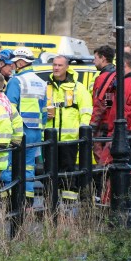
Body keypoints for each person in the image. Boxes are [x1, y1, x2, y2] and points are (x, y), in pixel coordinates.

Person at [98, 52, 131, 204]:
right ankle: (121, 199)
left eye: (116, 65)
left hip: (123, 130)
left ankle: (110, 201)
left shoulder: (128, 84)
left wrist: (111, 126)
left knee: (109, 166)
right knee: (125, 167)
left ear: (124, 65)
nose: (114, 68)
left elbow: (121, 110)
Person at [45, 54, 93, 203]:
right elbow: (38, 107)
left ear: (67, 67)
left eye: (59, 65)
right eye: (54, 65)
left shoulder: (78, 87)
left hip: (69, 139)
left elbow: (86, 111)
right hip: (49, 138)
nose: (56, 68)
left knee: (68, 172)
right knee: (49, 173)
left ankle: (68, 206)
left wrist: (82, 132)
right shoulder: (46, 86)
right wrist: (44, 114)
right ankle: (50, 204)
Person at [1, 46, 47, 200]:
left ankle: (10, 198)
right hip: (35, 131)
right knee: (28, 166)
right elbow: (44, 111)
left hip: (18, 131)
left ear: (21, 63)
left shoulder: (16, 81)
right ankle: (27, 199)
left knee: (9, 165)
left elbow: (10, 108)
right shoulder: (41, 82)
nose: (11, 66)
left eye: (13, 63)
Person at [90, 45, 117, 162]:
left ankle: (104, 179)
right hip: (114, 122)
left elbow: (100, 104)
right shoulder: (117, 75)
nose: (93, 61)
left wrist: (92, 127)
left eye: (95, 58)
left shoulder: (104, 78)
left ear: (103, 58)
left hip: (104, 124)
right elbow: (109, 100)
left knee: (102, 158)